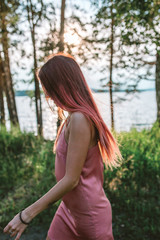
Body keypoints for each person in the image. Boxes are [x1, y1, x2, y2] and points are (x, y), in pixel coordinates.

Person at [3, 53, 123, 240]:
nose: (48, 96)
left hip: (89, 216)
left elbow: (72, 179)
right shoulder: (71, 119)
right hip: (67, 210)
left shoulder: (80, 119)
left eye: (49, 89)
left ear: (62, 85)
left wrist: (26, 215)